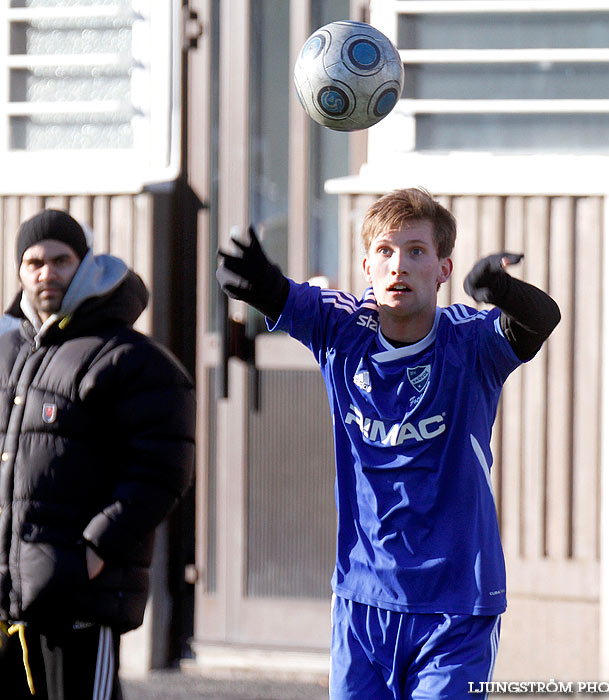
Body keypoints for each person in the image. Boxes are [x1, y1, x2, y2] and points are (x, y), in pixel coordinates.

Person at [217, 187, 560, 700]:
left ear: (443, 269)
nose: (399, 265)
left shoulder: (471, 342)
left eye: (416, 251)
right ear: (366, 266)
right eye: (386, 250)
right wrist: (260, 284)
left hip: (455, 607)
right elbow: (281, 295)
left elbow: (541, 320)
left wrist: (503, 290)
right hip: (362, 601)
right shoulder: (341, 328)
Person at [0, 209, 196, 700]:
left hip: (78, 597)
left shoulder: (132, 361)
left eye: (61, 260)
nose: (47, 273)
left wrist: (95, 551)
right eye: (34, 262)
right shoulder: (8, 355)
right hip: (8, 601)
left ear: (87, 264)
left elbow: (160, 472)